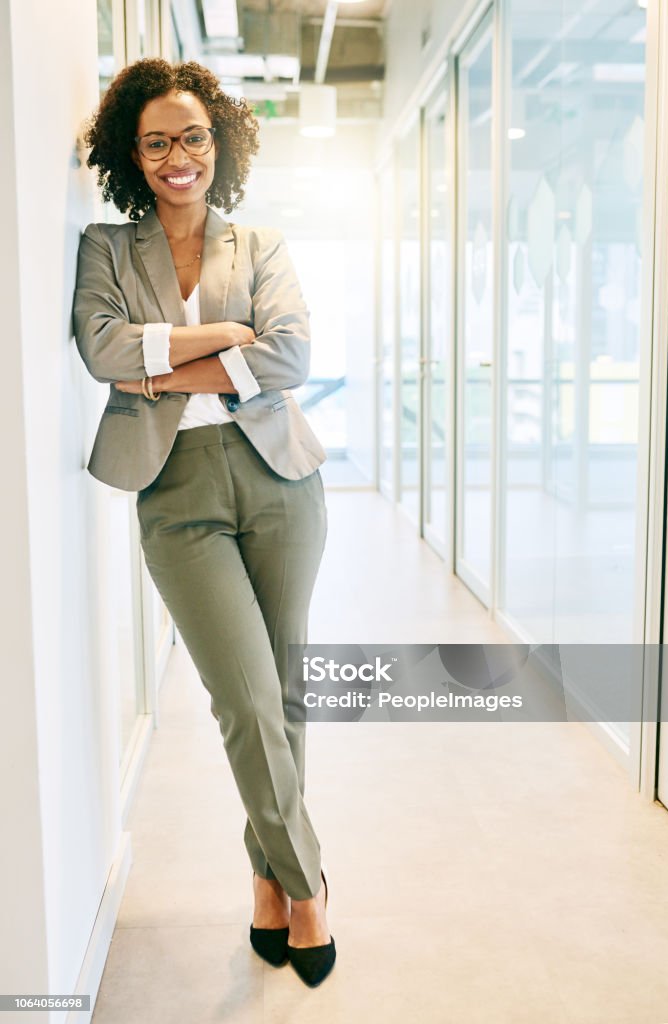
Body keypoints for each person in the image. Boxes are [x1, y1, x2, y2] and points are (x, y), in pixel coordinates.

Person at [72, 57, 335, 988]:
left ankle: (266, 879)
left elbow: (293, 354)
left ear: (217, 141)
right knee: (247, 699)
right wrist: (226, 338)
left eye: (192, 137)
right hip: (176, 489)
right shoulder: (108, 247)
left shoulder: (258, 243)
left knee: (286, 691)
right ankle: (309, 889)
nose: (177, 156)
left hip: (279, 482)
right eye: (156, 142)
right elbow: (101, 347)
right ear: (130, 156)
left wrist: (161, 366)